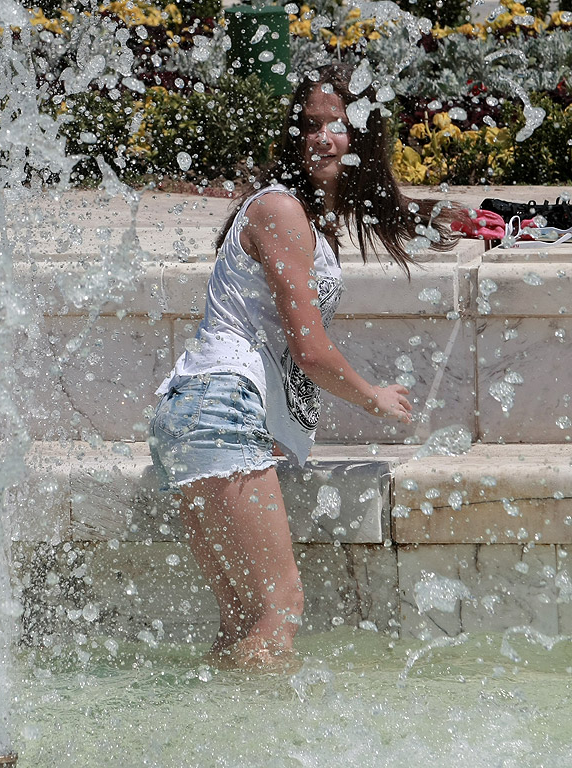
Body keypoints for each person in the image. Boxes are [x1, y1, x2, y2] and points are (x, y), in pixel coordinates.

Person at [147, 63, 501, 670]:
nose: (323, 137)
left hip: (192, 414)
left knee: (241, 622)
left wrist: (445, 215)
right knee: (281, 606)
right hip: (219, 411)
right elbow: (310, 351)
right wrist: (374, 398)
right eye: (311, 125)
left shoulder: (299, 213)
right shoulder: (282, 212)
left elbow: (387, 212)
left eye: (338, 124)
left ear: (360, 136)